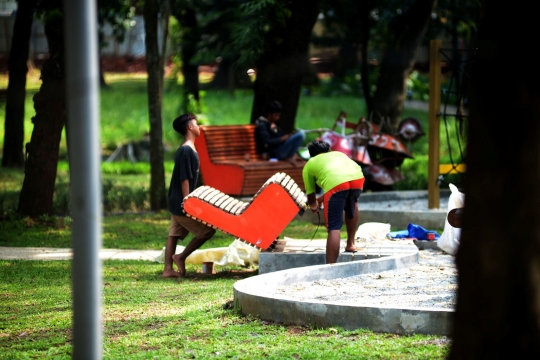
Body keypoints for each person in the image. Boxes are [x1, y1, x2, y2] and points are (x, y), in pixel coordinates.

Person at [162, 113, 216, 278]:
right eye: (196, 123)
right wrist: (188, 203)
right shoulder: (186, 150)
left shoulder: (188, 149)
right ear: (189, 127)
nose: (199, 127)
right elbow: (184, 179)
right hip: (181, 202)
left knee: (174, 234)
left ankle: (167, 270)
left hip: (176, 200)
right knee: (207, 231)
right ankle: (181, 257)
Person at [302, 140, 365, 264]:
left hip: (337, 184)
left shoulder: (310, 164)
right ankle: (350, 244)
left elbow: (311, 195)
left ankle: (331, 267)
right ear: (328, 150)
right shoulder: (339, 154)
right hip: (358, 178)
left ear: (311, 155)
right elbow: (342, 186)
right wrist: (320, 200)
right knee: (352, 204)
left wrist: (314, 206)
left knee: (334, 226)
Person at [255, 100, 305, 165]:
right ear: (269, 114)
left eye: (279, 115)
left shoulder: (273, 125)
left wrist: (287, 137)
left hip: (279, 150)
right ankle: (290, 157)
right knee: (301, 134)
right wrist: (282, 139)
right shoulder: (262, 125)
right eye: (276, 115)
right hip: (274, 154)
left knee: (298, 134)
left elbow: (279, 136)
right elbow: (266, 142)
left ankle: (292, 155)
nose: (277, 118)